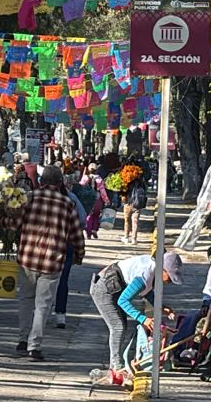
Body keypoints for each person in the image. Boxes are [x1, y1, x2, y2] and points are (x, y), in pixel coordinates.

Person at [13, 165, 86, 361]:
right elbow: (76, 233)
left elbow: (14, 223)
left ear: (42, 181)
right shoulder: (67, 204)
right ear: (60, 183)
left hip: (28, 257)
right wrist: (80, 253)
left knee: (26, 301)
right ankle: (34, 346)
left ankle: (22, 340)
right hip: (52, 261)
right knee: (43, 305)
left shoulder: (29, 198)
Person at [89, 251, 184, 386]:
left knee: (122, 327)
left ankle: (116, 366)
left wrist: (161, 307)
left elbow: (146, 292)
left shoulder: (153, 271)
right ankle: (116, 367)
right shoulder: (145, 275)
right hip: (103, 289)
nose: (168, 282)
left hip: (116, 288)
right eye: (169, 277)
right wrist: (143, 319)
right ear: (162, 269)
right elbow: (123, 301)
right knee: (118, 327)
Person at [54, 181, 89, 328]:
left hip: (43, 246)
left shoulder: (38, 196)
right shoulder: (71, 198)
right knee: (63, 280)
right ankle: (60, 314)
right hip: (66, 244)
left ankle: (40, 311)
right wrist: (79, 252)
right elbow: (82, 219)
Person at [122, 167, 147, 245]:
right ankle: (134, 239)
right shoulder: (141, 183)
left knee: (127, 221)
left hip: (128, 204)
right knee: (135, 222)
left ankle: (126, 237)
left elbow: (123, 194)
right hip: (137, 205)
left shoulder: (127, 183)